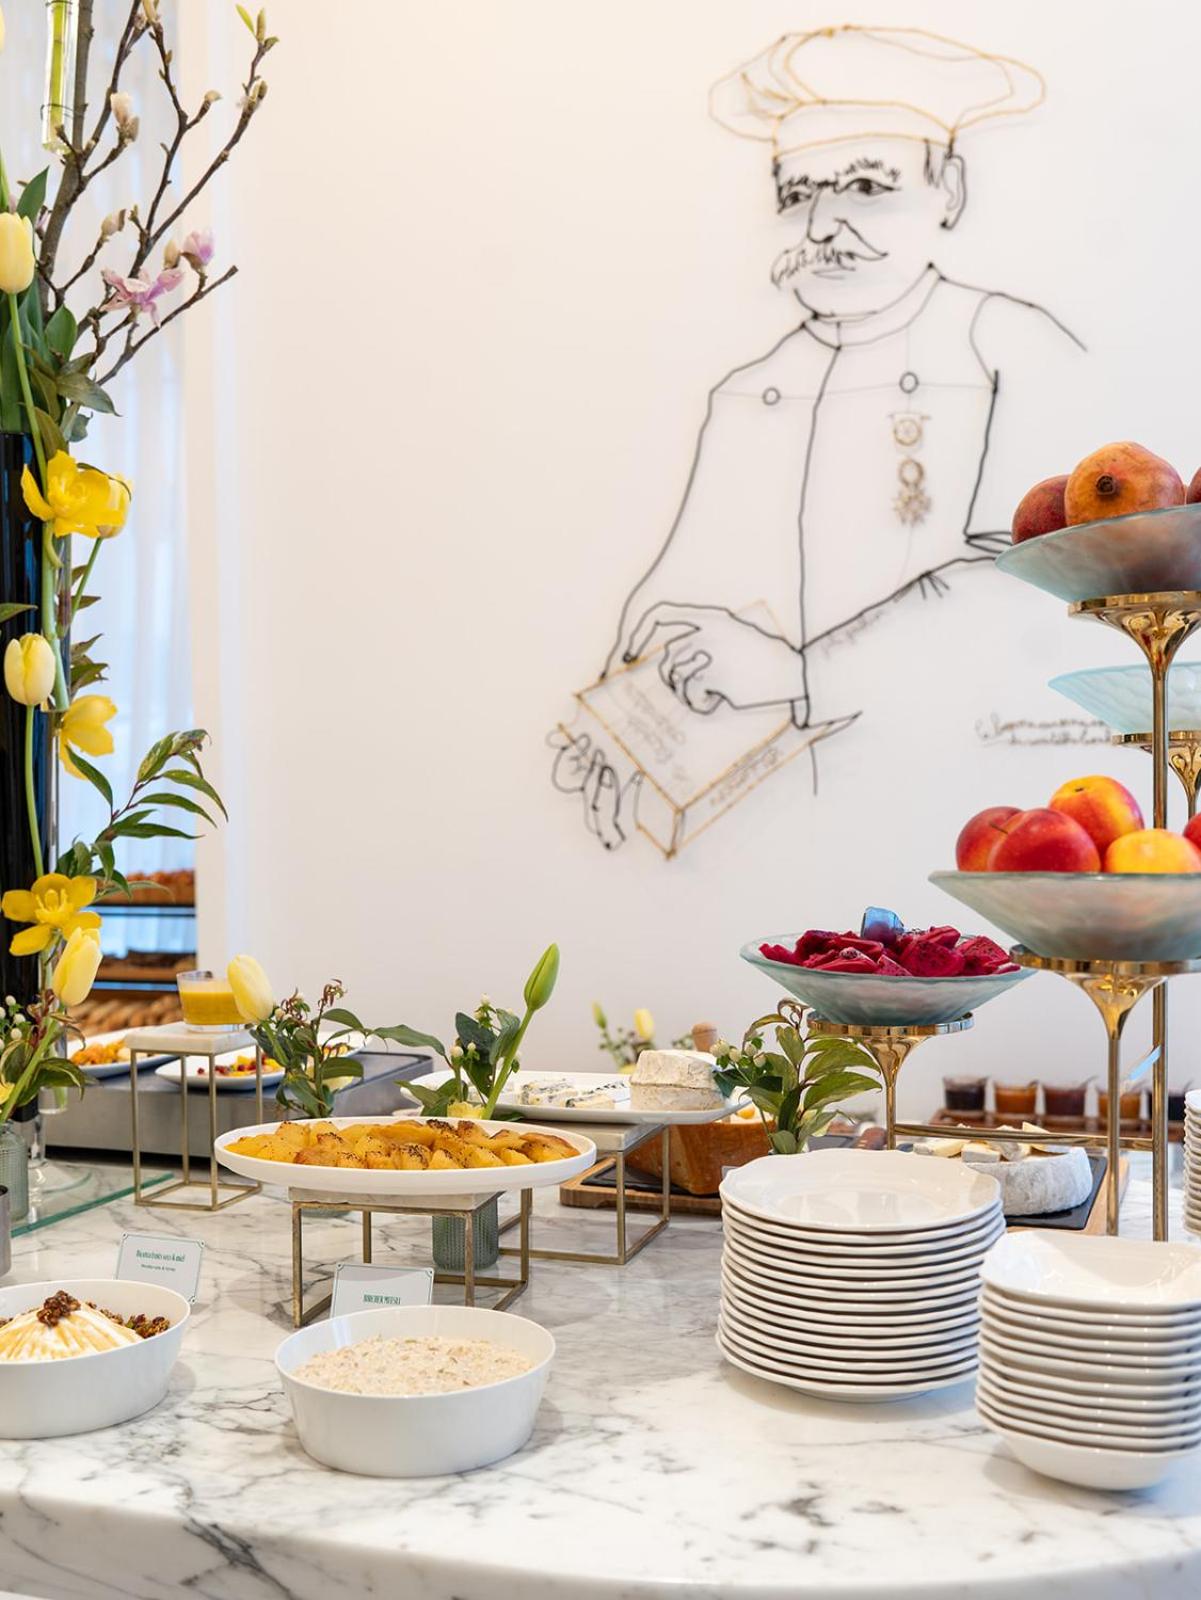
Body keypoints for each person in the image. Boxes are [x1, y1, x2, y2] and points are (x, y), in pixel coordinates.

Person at [555, 26, 1083, 851]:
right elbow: (680, 583)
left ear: (947, 187)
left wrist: (803, 672)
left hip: (940, 807)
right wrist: (626, 716)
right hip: (747, 825)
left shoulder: (1006, 344)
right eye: (798, 196)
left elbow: (1045, 584)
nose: (825, 226)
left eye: (866, 186)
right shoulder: (749, 386)